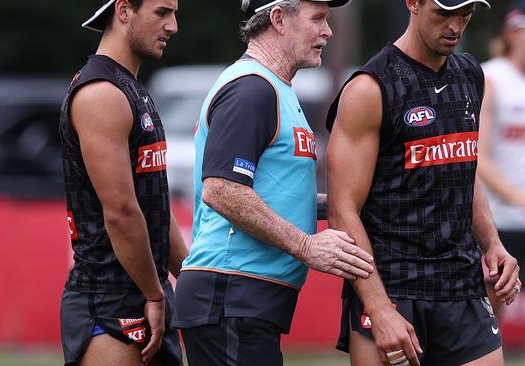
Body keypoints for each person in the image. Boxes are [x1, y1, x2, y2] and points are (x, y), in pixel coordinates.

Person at [172, 1, 376, 365]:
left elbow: (272, 193)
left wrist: (346, 204)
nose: (327, 32)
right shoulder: (253, 89)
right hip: (231, 295)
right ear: (279, 19)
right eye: (318, 19)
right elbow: (222, 189)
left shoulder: (274, 87)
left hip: (241, 301)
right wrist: (307, 246)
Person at [326, 0, 521, 365]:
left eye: (465, 15)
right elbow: (342, 211)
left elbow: (464, 167)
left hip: (461, 285)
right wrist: (379, 308)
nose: (455, 26)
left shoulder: (470, 74)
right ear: (412, 3)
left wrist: (492, 243)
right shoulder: (371, 87)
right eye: (444, 13)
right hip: (392, 288)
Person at [58, 0, 188, 365]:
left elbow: (155, 208)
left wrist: (190, 281)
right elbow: (121, 213)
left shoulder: (129, 87)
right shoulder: (101, 92)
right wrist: (156, 293)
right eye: (162, 12)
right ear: (124, 10)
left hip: (145, 290)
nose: (173, 26)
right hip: (108, 297)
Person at [479, 0, 525, 316]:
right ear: (512, 32)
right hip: (497, 221)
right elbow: (477, 155)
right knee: (489, 321)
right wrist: (520, 199)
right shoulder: (491, 78)